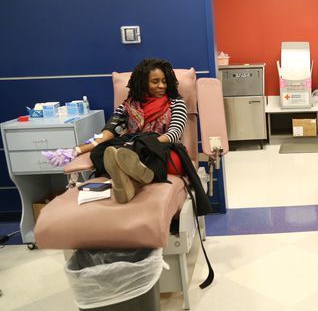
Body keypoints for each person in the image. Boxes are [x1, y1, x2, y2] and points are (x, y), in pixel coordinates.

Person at [44, 58, 209, 211]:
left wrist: (143, 146)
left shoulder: (176, 102)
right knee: (102, 151)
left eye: (164, 81)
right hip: (131, 148)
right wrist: (78, 150)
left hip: (164, 149)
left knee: (136, 147)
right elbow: (110, 130)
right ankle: (130, 175)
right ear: (143, 83)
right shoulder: (129, 105)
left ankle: (129, 173)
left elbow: (174, 133)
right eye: (155, 81)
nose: (161, 86)